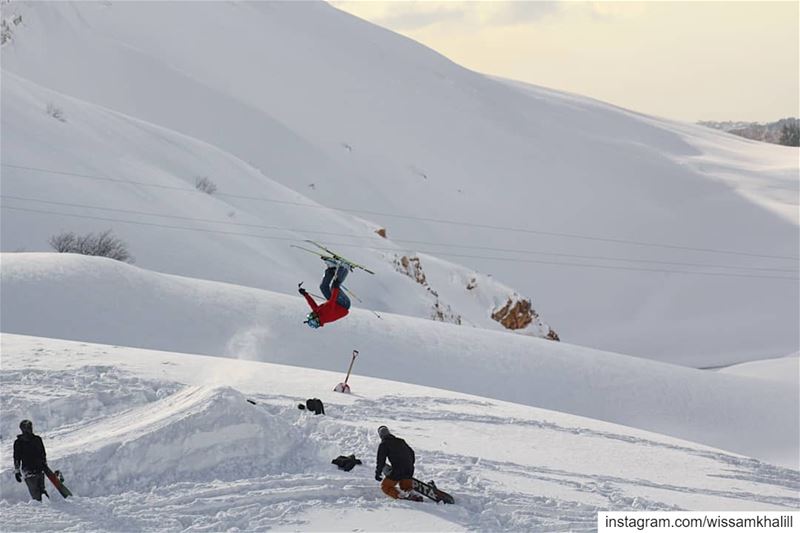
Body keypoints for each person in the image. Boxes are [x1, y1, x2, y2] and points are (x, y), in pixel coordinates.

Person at [374, 425, 421, 501]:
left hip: (398, 471)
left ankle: (401, 497)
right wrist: (409, 464)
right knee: (406, 486)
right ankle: (412, 494)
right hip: (409, 469)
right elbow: (411, 453)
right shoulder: (401, 441)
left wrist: (378, 473)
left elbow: (380, 461)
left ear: (380, 436)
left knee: (385, 486)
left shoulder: (384, 444)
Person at [299, 261, 352, 329]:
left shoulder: (317, 313)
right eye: (312, 321)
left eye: (309, 318)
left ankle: (332, 268)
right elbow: (332, 301)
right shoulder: (325, 316)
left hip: (335, 303)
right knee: (334, 286)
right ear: (317, 321)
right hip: (344, 304)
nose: (310, 316)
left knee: (323, 287)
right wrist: (336, 288)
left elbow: (312, 305)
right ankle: (345, 268)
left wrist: (305, 294)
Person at [13, 419, 49, 501]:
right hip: (29, 471)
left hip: (38, 470)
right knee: (38, 495)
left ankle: (48, 510)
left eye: (30, 427)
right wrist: (17, 470)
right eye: (28, 427)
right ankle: (45, 510)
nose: (30, 429)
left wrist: (45, 465)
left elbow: (43, 454)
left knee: (41, 493)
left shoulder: (37, 439)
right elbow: (16, 457)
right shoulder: (19, 442)